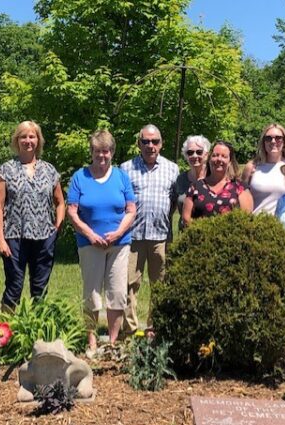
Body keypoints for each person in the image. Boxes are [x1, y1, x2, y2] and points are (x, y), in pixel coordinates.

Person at [67, 130, 136, 356]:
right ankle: (92, 340)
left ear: (112, 152)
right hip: (90, 244)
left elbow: (131, 210)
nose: (101, 156)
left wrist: (117, 233)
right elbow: (72, 212)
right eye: (97, 151)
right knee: (92, 292)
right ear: (92, 152)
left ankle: (113, 343)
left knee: (117, 292)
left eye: (105, 151)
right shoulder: (80, 177)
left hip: (119, 243)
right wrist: (90, 234)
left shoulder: (121, 177)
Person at [0, 121, 65, 311]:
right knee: (14, 286)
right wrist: (0, 238)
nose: (28, 141)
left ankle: (38, 331)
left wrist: (56, 228)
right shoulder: (6, 170)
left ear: (38, 140)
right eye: (23, 137)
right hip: (14, 237)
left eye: (32, 136)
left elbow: (60, 202)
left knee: (40, 289)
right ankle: (4, 333)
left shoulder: (49, 170)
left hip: (44, 237)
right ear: (17, 141)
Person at [120, 124, 179, 335]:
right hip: (133, 236)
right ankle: (129, 329)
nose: (150, 146)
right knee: (129, 284)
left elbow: (174, 202)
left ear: (161, 144)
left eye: (154, 141)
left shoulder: (172, 169)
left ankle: (154, 327)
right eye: (145, 141)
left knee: (160, 284)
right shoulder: (126, 168)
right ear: (139, 144)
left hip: (161, 236)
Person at [182, 141, 253, 226]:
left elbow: (246, 220)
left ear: (230, 161)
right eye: (215, 155)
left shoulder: (240, 187)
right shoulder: (195, 187)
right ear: (209, 159)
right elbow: (186, 218)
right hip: (199, 237)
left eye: (224, 156)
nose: (219, 159)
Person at [242, 123, 285, 214]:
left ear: (284, 142)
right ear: (264, 142)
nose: (273, 141)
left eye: (278, 138)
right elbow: (241, 198)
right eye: (268, 138)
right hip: (257, 224)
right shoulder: (252, 167)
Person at [175, 135, 210, 230]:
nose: (194, 155)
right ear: (186, 156)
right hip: (185, 234)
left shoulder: (213, 177)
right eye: (190, 152)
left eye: (199, 152)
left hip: (210, 233)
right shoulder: (180, 179)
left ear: (206, 154)